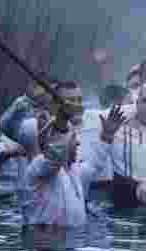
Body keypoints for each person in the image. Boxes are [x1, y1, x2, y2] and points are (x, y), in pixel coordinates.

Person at [17, 96, 124, 227]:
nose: (78, 142)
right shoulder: (38, 170)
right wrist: (61, 121)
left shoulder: (72, 172)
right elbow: (54, 155)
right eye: (73, 137)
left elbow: (93, 165)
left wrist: (107, 136)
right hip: (45, 243)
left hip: (70, 243)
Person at [88, 80, 146, 209]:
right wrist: (106, 136)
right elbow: (94, 165)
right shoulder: (115, 121)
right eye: (144, 101)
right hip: (121, 197)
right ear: (136, 103)